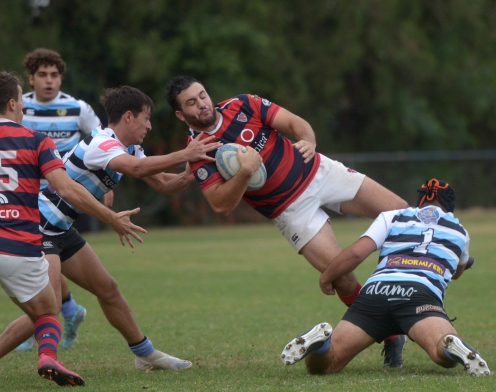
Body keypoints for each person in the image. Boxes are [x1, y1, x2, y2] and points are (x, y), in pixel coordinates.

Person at [0, 85, 221, 383]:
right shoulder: (102, 143)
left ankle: (145, 354)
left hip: (61, 229)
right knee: (48, 307)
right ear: (128, 117)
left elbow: (164, 183)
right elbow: (136, 169)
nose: (149, 126)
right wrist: (186, 152)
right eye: (146, 118)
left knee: (107, 288)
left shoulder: (131, 149)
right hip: (38, 228)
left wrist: (192, 171)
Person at [166, 75, 410, 367]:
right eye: (191, 103)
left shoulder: (244, 104)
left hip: (319, 172)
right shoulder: (199, 150)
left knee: (402, 214)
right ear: (181, 115)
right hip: (291, 211)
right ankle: (391, 335)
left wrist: (308, 140)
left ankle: (442, 265)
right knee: (341, 277)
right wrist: (245, 172)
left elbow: (295, 123)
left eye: (202, 95)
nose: (202, 104)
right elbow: (220, 204)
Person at [0, 71, 145, 386]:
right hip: (21, 248)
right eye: (21, 101)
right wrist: (110, 218)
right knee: (47, 314)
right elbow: (66, 189)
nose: (24, 108)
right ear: (13, 102)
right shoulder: (36, 141)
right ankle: (48, 357)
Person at [280, 179, 491, 377]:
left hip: (376, 292)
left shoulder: (393, 216)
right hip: (419, 295)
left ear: (420, 201)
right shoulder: (459, 231)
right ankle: (449, 343)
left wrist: (327, 276)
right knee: (441, 354)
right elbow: (457, 272)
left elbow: (356, 254)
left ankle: (322, 343)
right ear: (449, 206)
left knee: (327, 365)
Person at [18, 48, 103, 351]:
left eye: (54, 75)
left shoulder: (77, 108)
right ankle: (67, 311)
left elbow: (103, 144)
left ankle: (37, 324)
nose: (49, 81)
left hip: (60, 199)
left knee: (35, 265)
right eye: (42, 75)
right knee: (43, 264)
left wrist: (106, 186)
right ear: (31, 78)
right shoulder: (18, 108)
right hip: (25, 199)